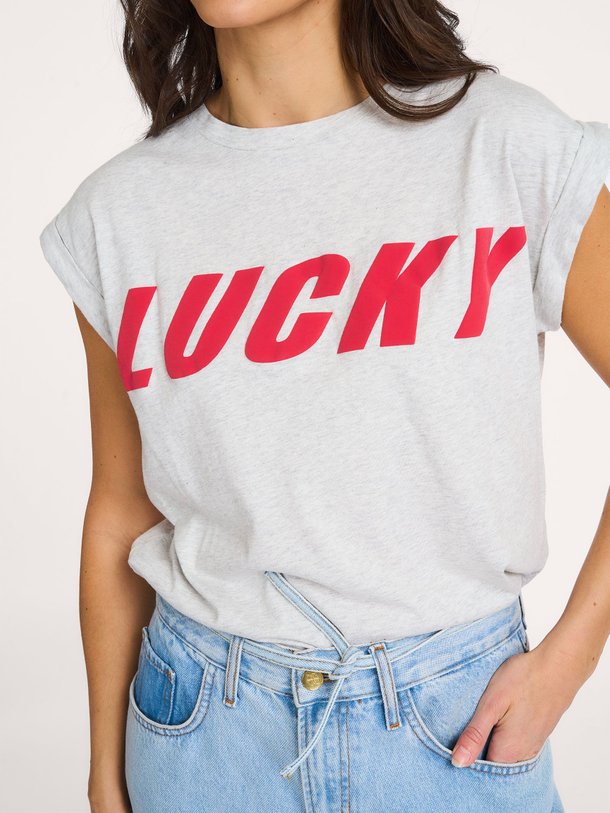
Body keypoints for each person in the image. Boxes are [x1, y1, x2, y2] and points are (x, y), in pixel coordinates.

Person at [39, 1, 610, 812]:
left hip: (455, 733)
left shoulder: (503, 145)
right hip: (202, 738)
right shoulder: (119, 213)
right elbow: (121, 510)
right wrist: (105, 773)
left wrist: (569, 660)